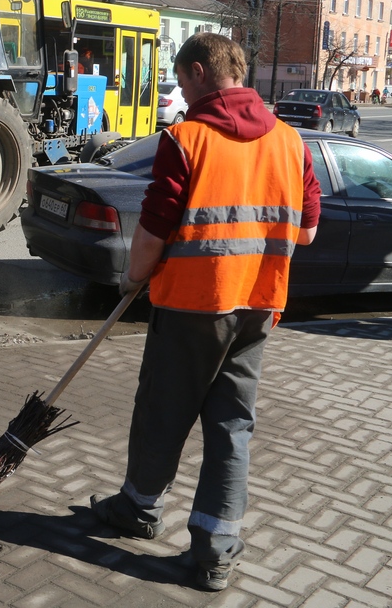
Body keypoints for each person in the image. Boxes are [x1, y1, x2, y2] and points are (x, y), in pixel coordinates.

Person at [88, 33, 321, 592]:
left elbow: (153, 230)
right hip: (260, 306)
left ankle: (139, 509)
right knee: (231, 424)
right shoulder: (290, 141)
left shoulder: (186, 139)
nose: (179, 91)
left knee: (163, 413)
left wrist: (133, 277)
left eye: (180, 79)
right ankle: (215, 553)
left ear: (198, 72)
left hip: (194, 304)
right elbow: (308, 230)